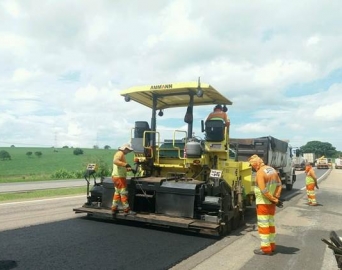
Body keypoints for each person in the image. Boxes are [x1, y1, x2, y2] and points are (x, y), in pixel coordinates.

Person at [248, 154, 283, 255]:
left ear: (256, 164)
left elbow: (263, 190)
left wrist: (274, 199)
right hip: (271, 204)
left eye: (253, 165)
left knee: (263, 226)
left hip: (263, 203)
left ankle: (265, 249)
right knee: (270, 225)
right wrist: (275, 198)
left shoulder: (260, 173)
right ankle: (272, 246)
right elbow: (279, 185)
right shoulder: (272, 169)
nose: (253, 168)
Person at [111, 143, 136, 215]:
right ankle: (127, 210)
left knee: (117, 193)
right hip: (120, 177)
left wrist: (130, 169)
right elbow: (115, 161)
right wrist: (126, 164)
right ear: (125, 149)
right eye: (128, 151)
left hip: (116, 176)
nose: (129, 152)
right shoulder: (120, 153)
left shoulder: (121, 154)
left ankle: (114, 208)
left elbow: (120, 167)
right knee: (123, 193)